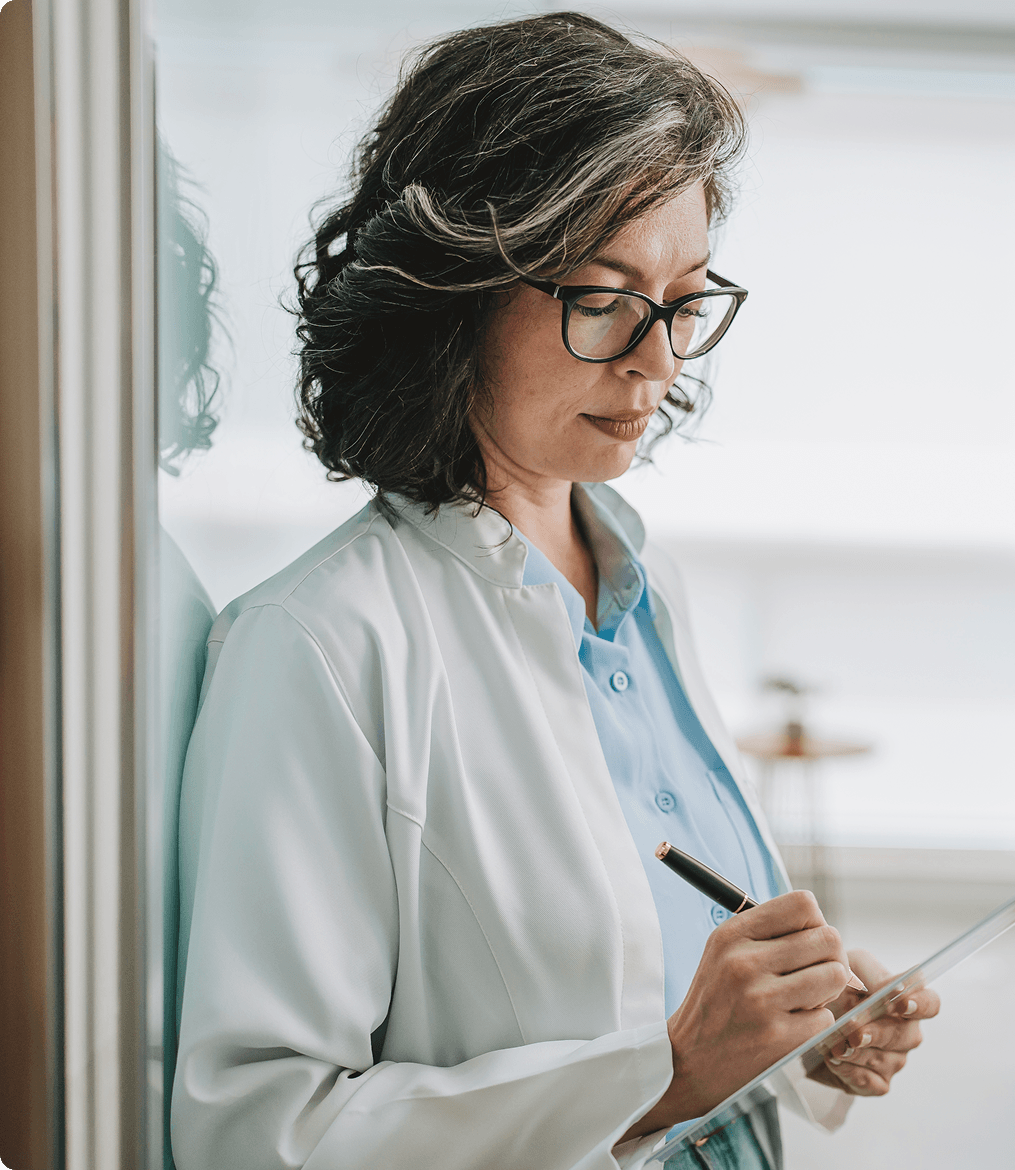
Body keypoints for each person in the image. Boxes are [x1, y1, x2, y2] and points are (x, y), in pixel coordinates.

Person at [170, 13, 939, 1170]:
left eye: (683, 300)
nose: (658, 360)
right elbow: (255, 1132)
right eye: (604, 296)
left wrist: (792, 1024)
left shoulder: (636, 575)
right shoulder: (317, 644)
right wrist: (663, 1076)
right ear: (454, 288)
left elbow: (653, 940)